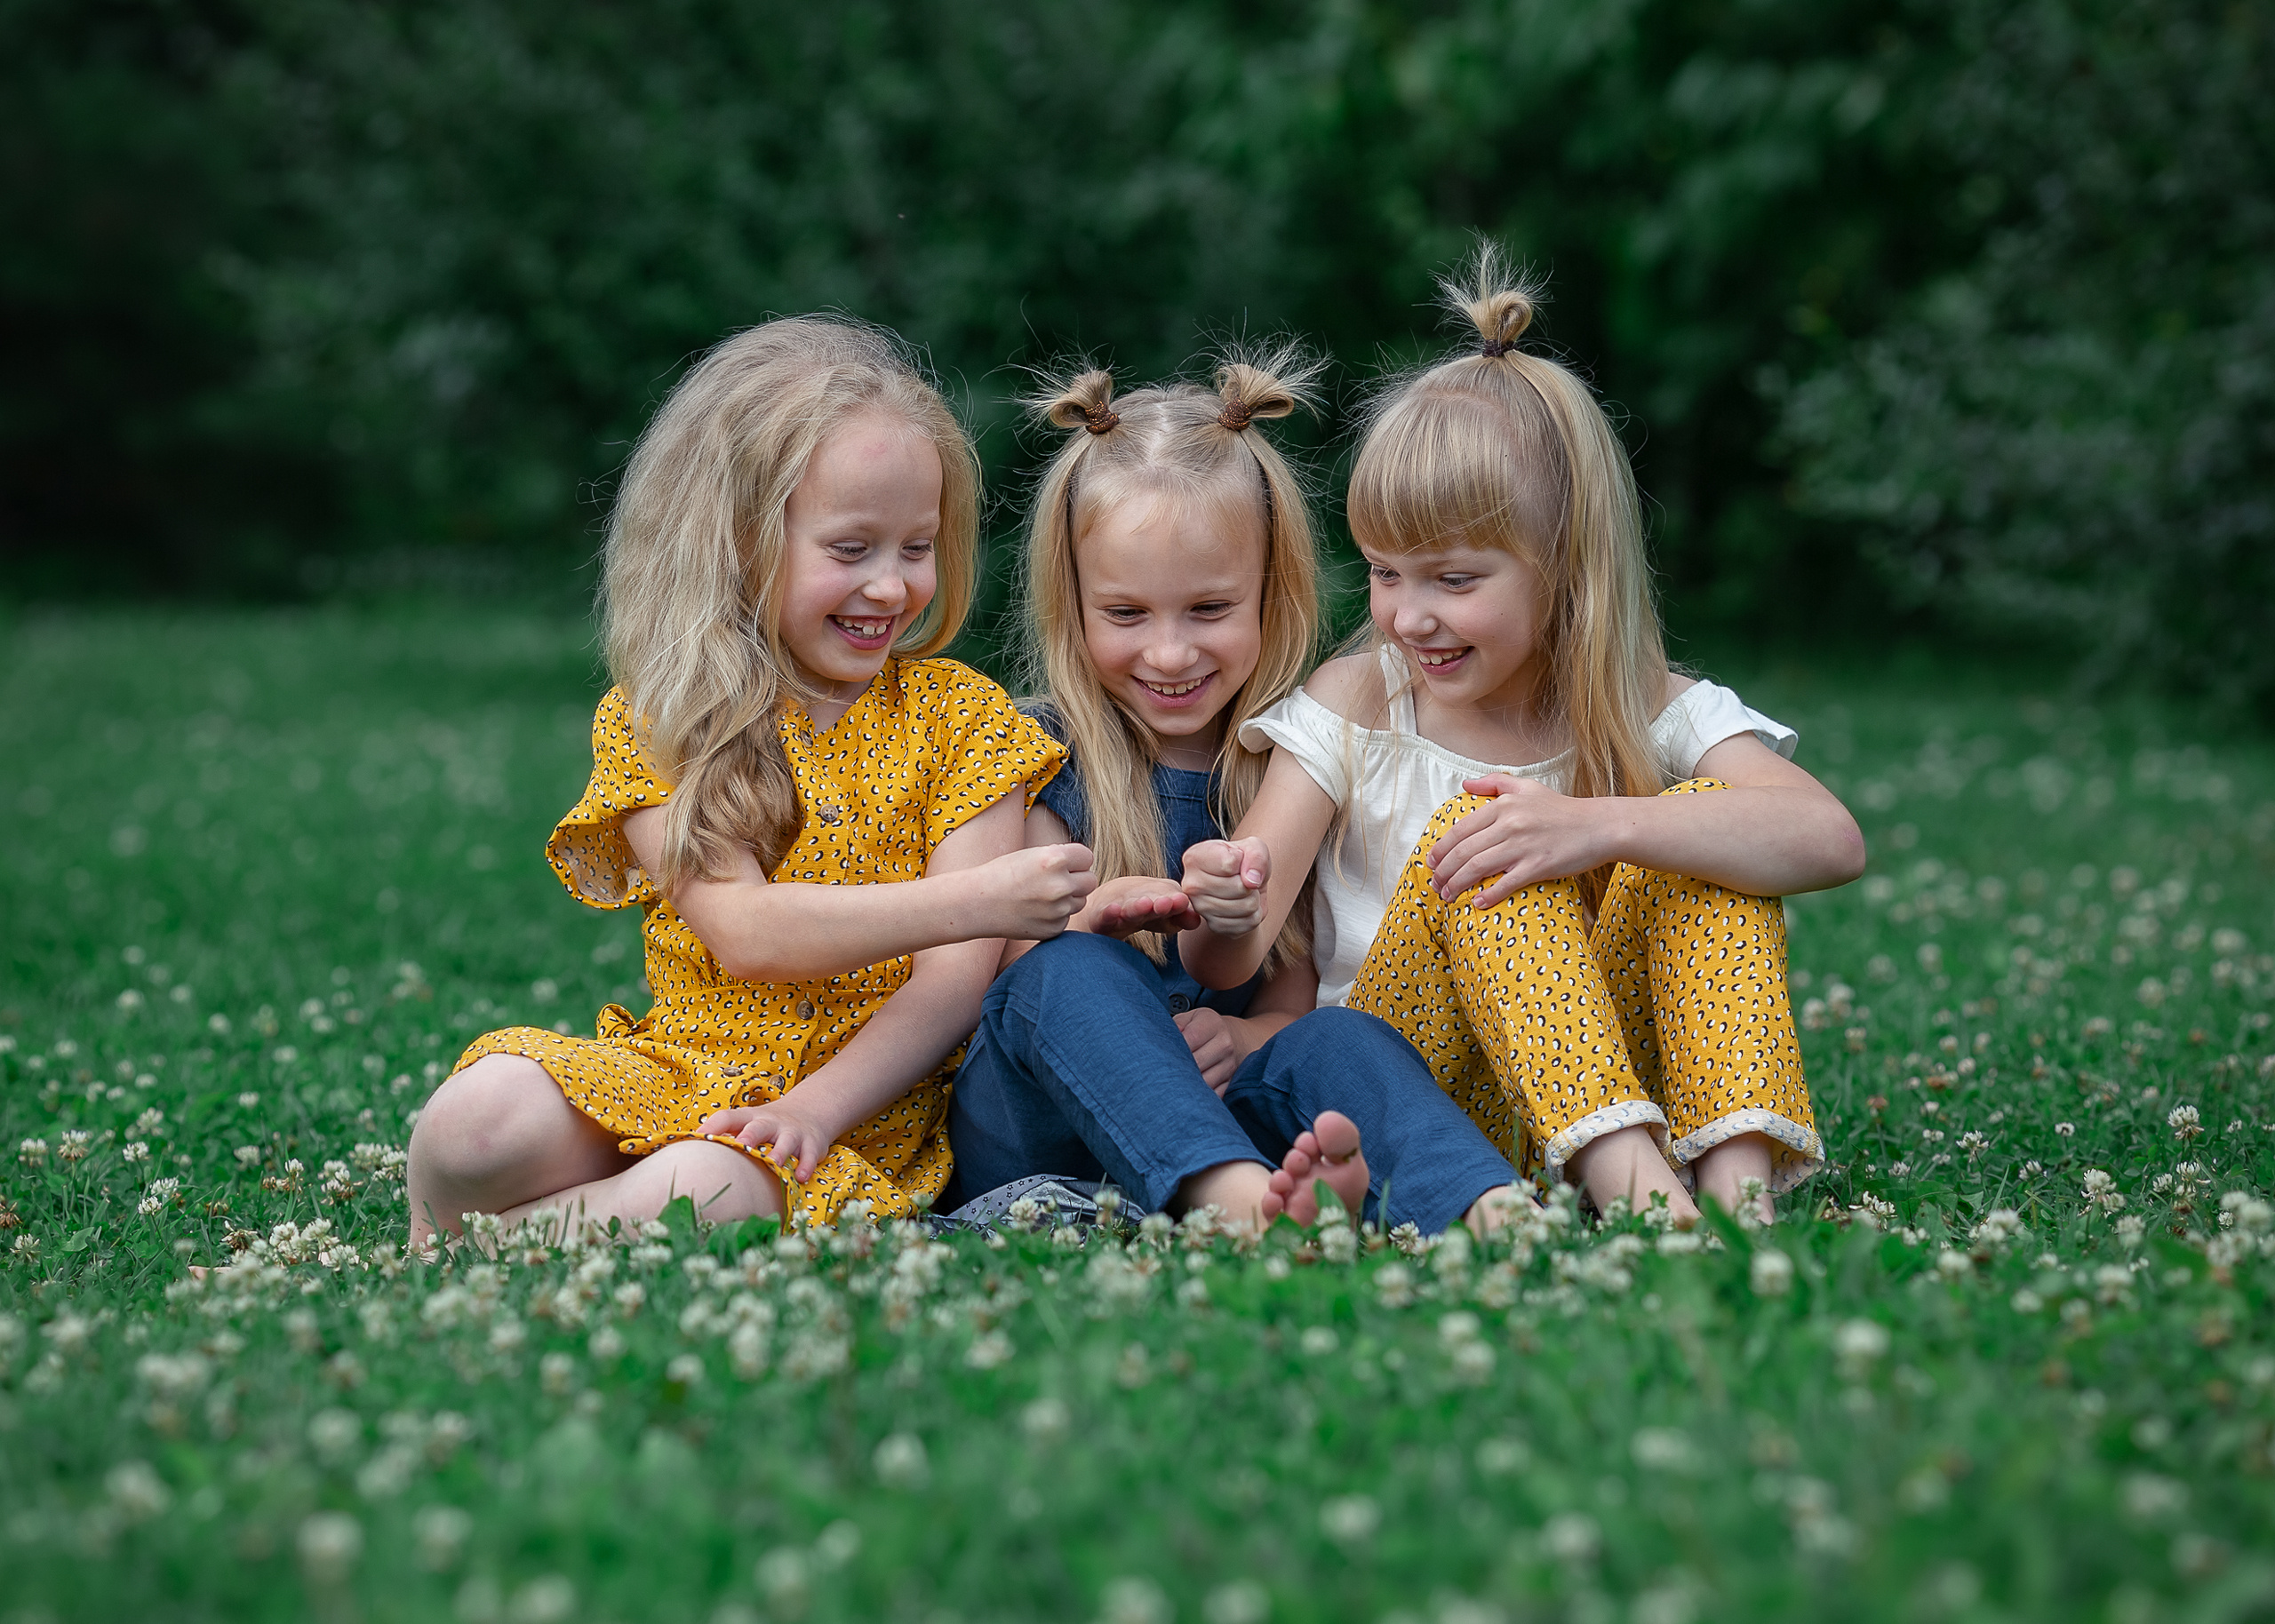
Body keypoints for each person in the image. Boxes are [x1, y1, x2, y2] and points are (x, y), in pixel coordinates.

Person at [1180, 251, 1867, 1226]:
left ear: (1566, 565)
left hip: (1597, 1089)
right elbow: (1229, 960)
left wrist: (1599, 826)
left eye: (1453, 581)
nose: (1409, 617)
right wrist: (1221, 901)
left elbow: (1829, 839)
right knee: (1491, 836)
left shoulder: (1643, 702)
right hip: (1408, 1099)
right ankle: (1647, 1212)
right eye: (1384, 574)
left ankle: (1731, 1193)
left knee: (1713, 829)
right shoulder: (1359, 698)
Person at [404, 316, 1092, 1247]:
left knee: (701, 1186)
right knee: (472, 1118)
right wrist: (978, 898)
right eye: (851, 551)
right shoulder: (663, 720)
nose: (890, 587)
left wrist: (810, 1110)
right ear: (733, 541)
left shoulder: (962, 720)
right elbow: (749, 932)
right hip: (680, 1069)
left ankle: (497, 1239)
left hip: (853, 1114)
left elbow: (951, 987)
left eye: (916, 546)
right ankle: (515, 1214)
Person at [942, 355, 1526, 1236]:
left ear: (1270, 593)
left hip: (1221, 1119)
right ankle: (1246, 1215)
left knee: (1343, 1037)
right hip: (1042, 1143)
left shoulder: (1283, 764)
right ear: (1075, 605)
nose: (1170, 654)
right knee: (1071, 969)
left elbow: (1289, 997)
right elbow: (1008, 986)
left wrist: (1244, 1042)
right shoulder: (1035, 752)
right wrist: (1094, 914)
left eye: (1209, 609)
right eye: (1127, 614)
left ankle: (1485, 1208)